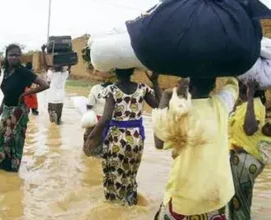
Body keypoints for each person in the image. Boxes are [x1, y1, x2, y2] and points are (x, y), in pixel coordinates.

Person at [153, 77, 239, 220]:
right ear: (213, 85)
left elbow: (159, 142)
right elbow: (233, 85)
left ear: (188, 86)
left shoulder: (179, 111)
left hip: (184, 197)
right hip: (216, 195)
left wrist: (168, 95)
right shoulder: (222, 105)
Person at [85, 68, 160, 206]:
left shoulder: (112, 90)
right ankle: (130, 204)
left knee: (113, 177)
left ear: (114, 71)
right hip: (136, 139)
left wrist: (91, 137)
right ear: (132, 70)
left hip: (117, 139)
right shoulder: (143, 88)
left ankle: (115, 209)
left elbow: (106, 118)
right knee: (130, 176)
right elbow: (159, 106)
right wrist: (154, 81)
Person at [0, 44, 49, 172]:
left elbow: (45, 85)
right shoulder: (6, 72)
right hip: (6, 110)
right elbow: (5, 97)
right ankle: (1, 168)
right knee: (3, 140)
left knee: (14, 143)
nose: (14, 58)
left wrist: (26, 93)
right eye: (11, 55)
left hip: (18, 111)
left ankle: (13, 170)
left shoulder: (23, 72)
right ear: (6, 57)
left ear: (20, 57)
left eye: (17, 55)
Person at [228, 80, 271, 219]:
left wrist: (251, 95)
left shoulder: (256, 104)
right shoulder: (245, 106)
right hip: (240, 162)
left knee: (240, 206)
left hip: (244, 162)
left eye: (241, 83)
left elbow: (250, 128)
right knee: (236, 204)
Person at [82, 71, 116, 157]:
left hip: (95, 121)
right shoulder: (116, 89)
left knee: (88, 139)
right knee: (104, 145)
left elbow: (90, 104)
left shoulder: (95, 88)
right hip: (110, 121)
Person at [41, 44, 71, 125]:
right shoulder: (65, 74)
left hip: (51, 99)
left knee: (52, 121)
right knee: (58, 120)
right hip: (60, 99)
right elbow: (70, 64)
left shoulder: (51, 74)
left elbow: (44, 64)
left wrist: (43, 51)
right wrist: (69, 53)